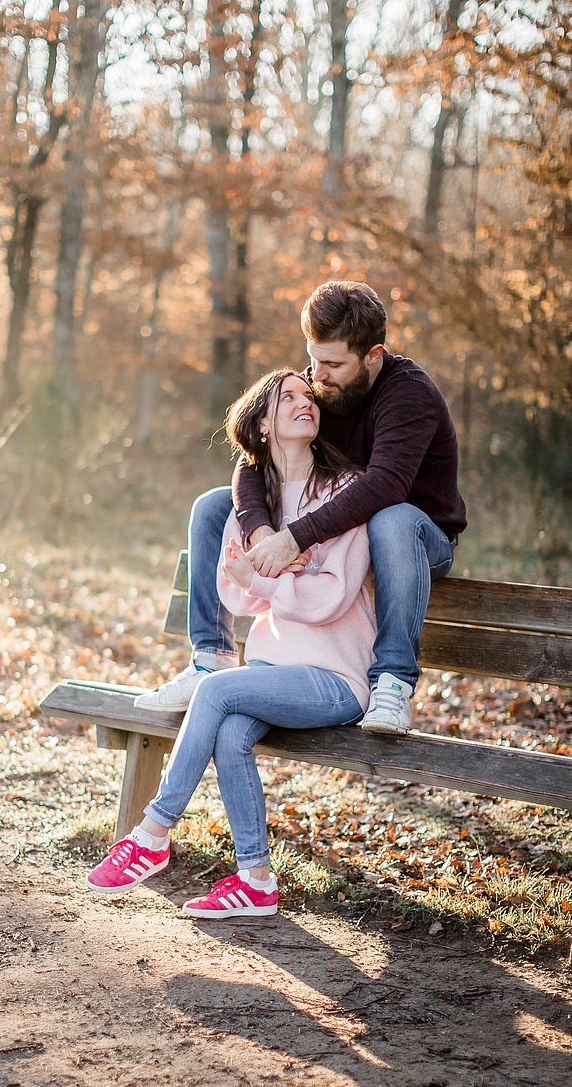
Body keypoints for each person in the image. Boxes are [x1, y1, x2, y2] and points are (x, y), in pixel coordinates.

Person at [86, 369, 375, 917]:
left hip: (334, 680)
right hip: (271, 672)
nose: (303, 402)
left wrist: (266, 580)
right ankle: (257, 878)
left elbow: (330, 599)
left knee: (215, 693)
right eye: (286, 397)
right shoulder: (255, 506)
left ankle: (151, 834)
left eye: (307, 395)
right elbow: (235, 593)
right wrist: (266, 580)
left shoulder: (344, 494)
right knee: (232, 732)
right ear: (263, 425)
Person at [135, 280, 466, 735]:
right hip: (342, 538)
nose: (318, 375)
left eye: (332, 363)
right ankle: (210, 661)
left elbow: (386, 485)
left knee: (393, 519)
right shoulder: (324, 390)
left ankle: (392, 683)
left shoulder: (407, 395)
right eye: (313, 358)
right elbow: (253, 464)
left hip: (416, 540)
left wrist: (295, 537)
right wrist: (261, 532)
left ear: (373, 355)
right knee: (215, 507)